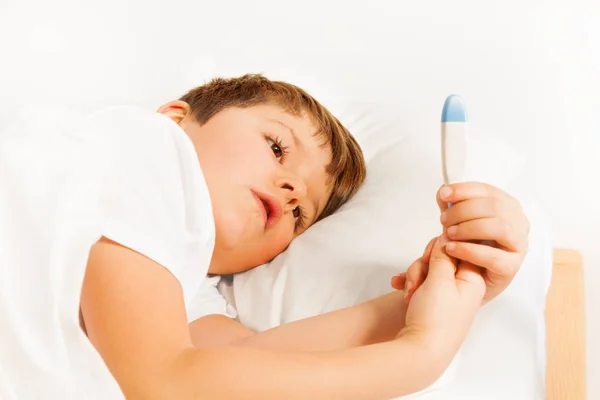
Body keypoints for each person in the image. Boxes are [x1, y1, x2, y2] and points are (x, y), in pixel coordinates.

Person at [0, 74, 529, 399]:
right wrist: (420, 355)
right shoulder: (148, 148)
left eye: (301, 215)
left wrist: (441, 293)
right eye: (277, 147)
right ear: (178, 116)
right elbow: (167, 384)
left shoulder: (188, 288)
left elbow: (250, 367)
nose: (292, 190)